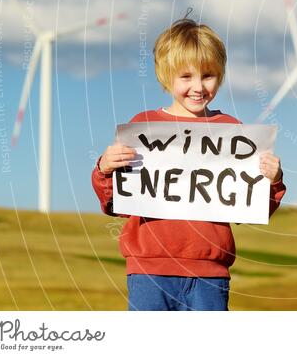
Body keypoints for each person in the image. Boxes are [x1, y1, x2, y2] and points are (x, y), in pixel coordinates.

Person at [91, 16, 286, 311]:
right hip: (148, 270)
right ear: (166, 76)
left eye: (208, 75)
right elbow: (114, 203)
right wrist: (105, 168)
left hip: (210, 272)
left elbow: (250, 207)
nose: (198, 86)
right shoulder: (143, 127)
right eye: (186, 76)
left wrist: (273, 180)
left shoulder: (232, 131)